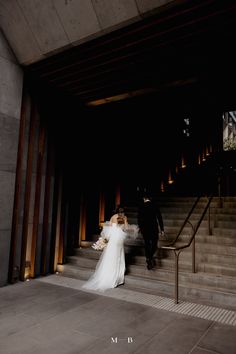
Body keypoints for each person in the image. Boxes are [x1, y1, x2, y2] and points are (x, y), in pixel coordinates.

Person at [82, 206, 129, 291]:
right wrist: (125, 221)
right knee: (117, 257)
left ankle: (107, 276)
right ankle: (116, 278)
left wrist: (105, 239)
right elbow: (126, 228)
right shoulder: (124, 218)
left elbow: (108, 228)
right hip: (119, 239)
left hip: (113, 239)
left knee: (110, 257)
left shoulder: (113, 217)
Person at [138, 194, 164, 270]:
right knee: (154, 244)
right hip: (153, 228)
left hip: (145, 229)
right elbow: (159, 217)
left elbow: (139, 219)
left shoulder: (141, 206)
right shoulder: (154, 205)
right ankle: (150, 257)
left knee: (147, 244)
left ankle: (148, 258)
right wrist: (162, 229)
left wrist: (140, 227)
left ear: (144, 198)